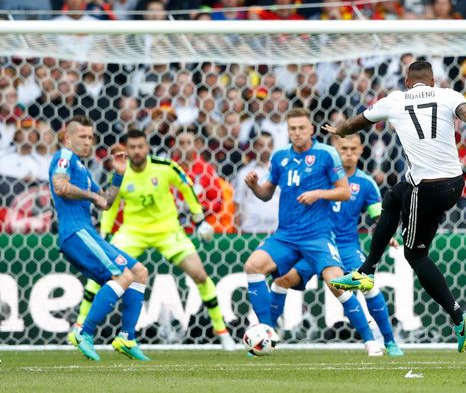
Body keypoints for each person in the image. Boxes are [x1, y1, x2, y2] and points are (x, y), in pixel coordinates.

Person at [324, 60, 466, 353]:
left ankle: (458, 316)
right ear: (432, 81)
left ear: (407, 82)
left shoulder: (395, 100)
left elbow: (359, 121)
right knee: (393, 197)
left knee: (415, 254)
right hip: (455, 184)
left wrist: (340, 129)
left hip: (426, 187)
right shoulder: (448, 94)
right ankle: (366, 271)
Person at [73, 129, 237, 350]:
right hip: (133, 232)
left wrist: (199, 220)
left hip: (168, 231)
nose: (137, 151)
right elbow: (111, 206)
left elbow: (186, 187)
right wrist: (104, 233)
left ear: (147, 147)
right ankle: (80, 327)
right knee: (101, 273)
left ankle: (222, 331)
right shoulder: (121, 173)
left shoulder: (164, 167)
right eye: (132, 147)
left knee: (200, 274)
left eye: (141, 146)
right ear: (127, 149)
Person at [243, 108, 384, 356]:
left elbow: (344, 192)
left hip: (318, 236)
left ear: (310, 129)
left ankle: (371, 340)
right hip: (285, 236)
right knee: (253, 266)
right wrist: (255, 186)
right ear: (288, 131)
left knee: (337, 282)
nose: (297, 133)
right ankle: (265, 330)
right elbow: (266, 194)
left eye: (301, 128)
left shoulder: (327, 154)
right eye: (292, 129)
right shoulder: (279, 158)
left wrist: (319, 193)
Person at [267, 134, 404, 356]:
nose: (348, 153)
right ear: (335, 151)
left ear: (361, 151)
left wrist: (386, 233)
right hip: (315, 243)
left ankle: (389, 341)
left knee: (366, 284)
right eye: (343, 149)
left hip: (346, 245)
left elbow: (378, 215)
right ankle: (267, 335)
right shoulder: (318, 178)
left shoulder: (365, 183)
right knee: (283, 281)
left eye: (353, 149)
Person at [50, 116, 149, 361]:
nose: (87, 141)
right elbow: (60, 186)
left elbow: (105, 201)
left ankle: (127, 337)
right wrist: (90, 197)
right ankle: (84, 331)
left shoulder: (82, 169)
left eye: (90, 137)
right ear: (67, 137)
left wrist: (118, 175)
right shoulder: (64, 157)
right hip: (75, 231)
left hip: (86, 232)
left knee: (139, 272)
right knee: (122, 276)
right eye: (82, 136)